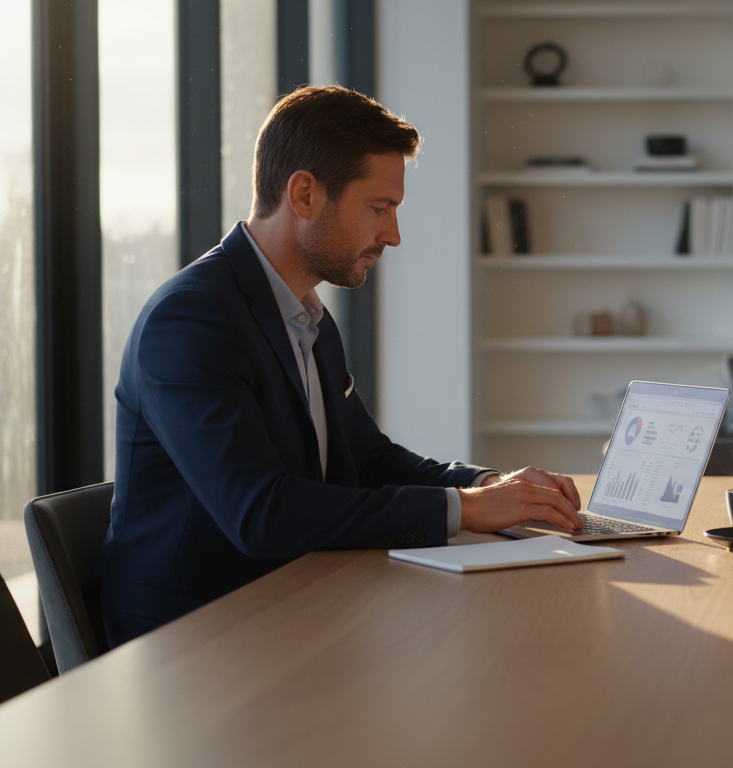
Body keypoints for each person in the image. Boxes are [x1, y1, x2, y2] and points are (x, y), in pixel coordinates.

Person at [91, 85, 584, 648]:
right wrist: (464, 509)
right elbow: (260, 512)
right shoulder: (191, 320)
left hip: (291, 603)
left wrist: (487, 486)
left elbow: (367, 459)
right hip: (189, 641)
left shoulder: (307, 318)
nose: (393, 236)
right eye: (379, 208)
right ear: (304, 194)